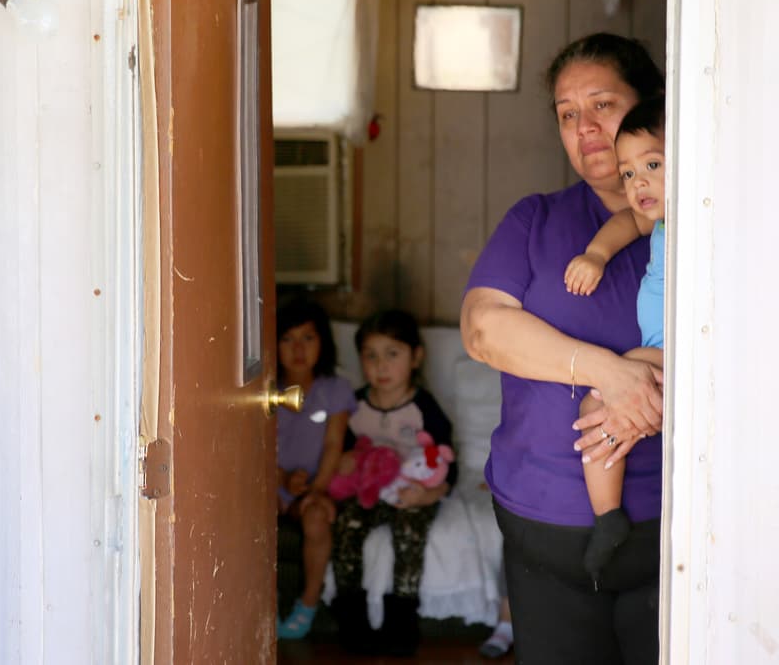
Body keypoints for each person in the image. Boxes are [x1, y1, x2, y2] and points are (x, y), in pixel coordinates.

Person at [460, 33, 665, 664]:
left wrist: (663, 391)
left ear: (649, 106)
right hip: (542, 521)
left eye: (602, 105)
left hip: (674, 528)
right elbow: (483, 330)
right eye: (568, 114)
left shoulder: (702, 219)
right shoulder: (537, 220)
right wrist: (609, 372)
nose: (585, 128)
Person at [563, 97, 667, 584]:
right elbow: (628, 221)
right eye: (628, 173)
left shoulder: (709, 221)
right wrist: (596, 255)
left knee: (599, 402)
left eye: (652, 164)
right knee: (607, 407)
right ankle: (608, 517)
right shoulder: (659, 220)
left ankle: (607, 517)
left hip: (677, 352)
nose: (638, 182)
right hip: (660, 354)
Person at [330, 310, 457, 657]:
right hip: (366, 490)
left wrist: (428, 494)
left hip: (410, 491)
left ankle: (402, 619)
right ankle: (351, 618)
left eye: (392, 354)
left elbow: (449, 462)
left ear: (416, 357)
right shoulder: (353, 405)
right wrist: (344, 463)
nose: (380, 366)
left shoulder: (423, 408)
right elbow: (337, 450)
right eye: (370, 355)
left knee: (409, 533)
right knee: (345, 528)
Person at [274, 298, 356, 641]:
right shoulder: (263, 390)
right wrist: (281, 481)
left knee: (317, 519)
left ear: (323, 343)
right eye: (288, 339)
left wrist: (317, 489)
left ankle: (307, 605)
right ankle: (264, 604)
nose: (298, 349)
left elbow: (334, 444)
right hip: (270, 484)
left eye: (308, 338)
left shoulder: (334, 390)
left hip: (315, 486)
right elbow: (255, 449)